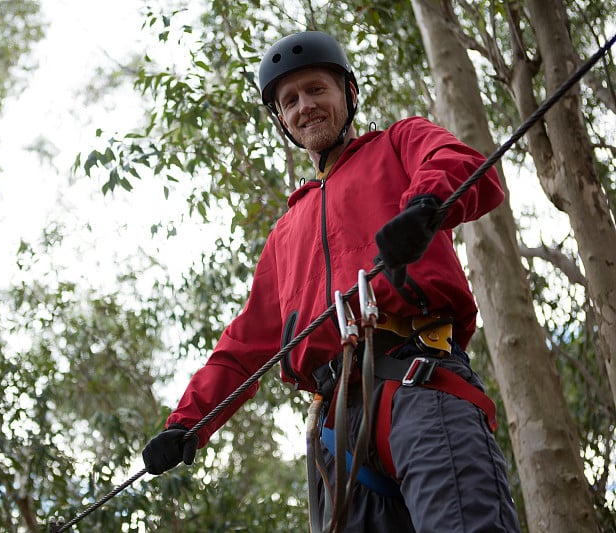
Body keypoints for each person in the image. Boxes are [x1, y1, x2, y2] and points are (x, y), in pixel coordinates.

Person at [142, 31, 520, 532]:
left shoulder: (398, 143)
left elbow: (466, 167)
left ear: (349, 93)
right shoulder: (285, 233)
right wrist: (188, 422)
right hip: (335, 434)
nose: (306, 106)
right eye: (290, 100)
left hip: (419, 382)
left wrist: (426, 205)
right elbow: (245, 344)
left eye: (317, 89)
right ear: (282, 121)